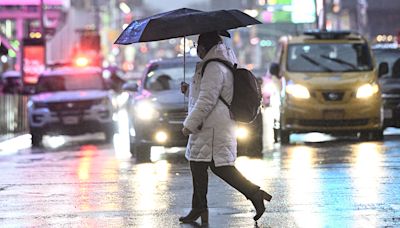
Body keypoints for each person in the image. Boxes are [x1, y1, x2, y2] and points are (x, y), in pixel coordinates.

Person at [179, 31, 272, 224]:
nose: (197, 50)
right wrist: (189, 90)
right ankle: (200, 208)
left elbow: (207, 100)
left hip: (212, 128)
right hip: (212, 125)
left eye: (198, 47)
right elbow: (208, 95)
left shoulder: (213, 67)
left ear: (204, 47)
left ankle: (253, 194)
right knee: (203, 165)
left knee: (219, 167)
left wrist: (189, 124)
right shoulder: (217, 63)